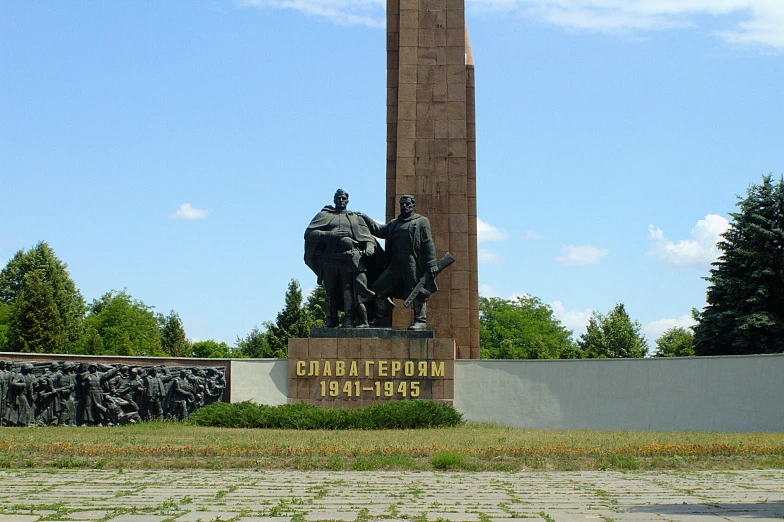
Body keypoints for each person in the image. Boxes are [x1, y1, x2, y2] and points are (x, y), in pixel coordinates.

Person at [360, 195, 439, 330]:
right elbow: (379, 230)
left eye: (408, 204)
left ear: (413, 206)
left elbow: (428, 242)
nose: (405, 206)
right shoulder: (394, 223)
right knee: (379, 288)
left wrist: (432, 263)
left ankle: (420, 320)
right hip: (395, 262)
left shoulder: (421, 221)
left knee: (417, 290)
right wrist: (365, 218)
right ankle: (380, 319)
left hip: (411, 261)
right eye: (402, 204)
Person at [304, 189, 381, 328]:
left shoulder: (355, 218)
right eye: (338, 198)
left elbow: (367, 237)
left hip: (349, 259)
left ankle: (348, 320)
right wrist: (330, 235)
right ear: (334, 200)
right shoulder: (324, 215)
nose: (341, 200)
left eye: (343, 198)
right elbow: (309, 234)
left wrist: (369, 247)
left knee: (348, 289)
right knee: (330, 290)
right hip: (330, 258)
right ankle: (331, 319)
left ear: (347, 200)